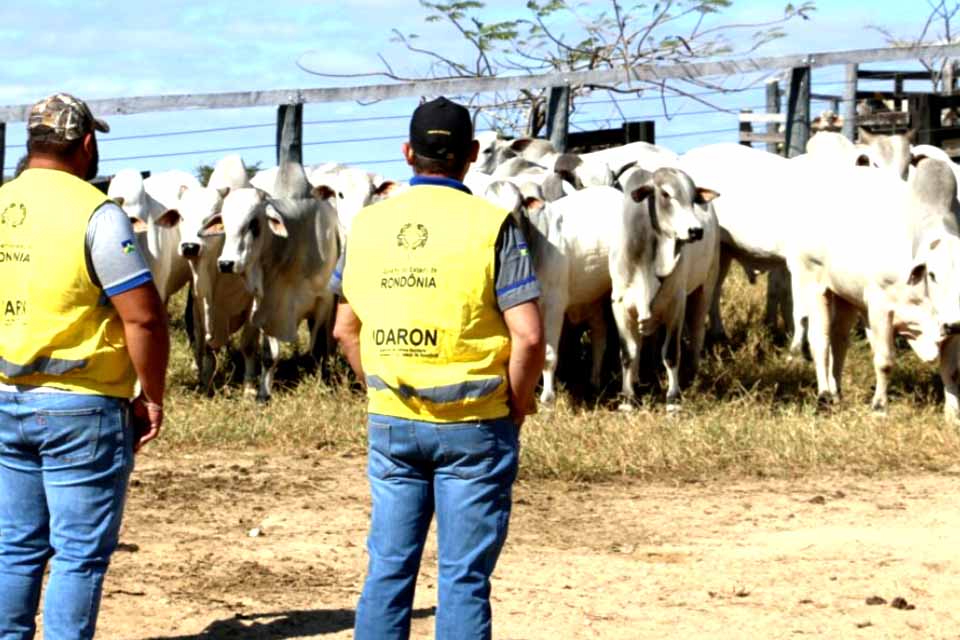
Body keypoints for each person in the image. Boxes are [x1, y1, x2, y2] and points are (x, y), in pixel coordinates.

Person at [329, 96, 546, 640]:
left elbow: (343, 330)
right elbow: (529, 335)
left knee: (388, 569)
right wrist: (515, 406)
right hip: (475, 424)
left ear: (407, 153)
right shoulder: (494, 225)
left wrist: (377, 388)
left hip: (393, 420)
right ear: (472, 155)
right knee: (464, 578)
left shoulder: (368, 226)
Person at [0, 93, 169, 639]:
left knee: (16, 547)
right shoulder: (97, 214)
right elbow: (143, 318)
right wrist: (151, 394)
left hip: (5, 396)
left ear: (32, 142)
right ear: (87, 144)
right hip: (82, 407)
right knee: (78, 554)